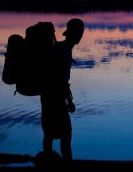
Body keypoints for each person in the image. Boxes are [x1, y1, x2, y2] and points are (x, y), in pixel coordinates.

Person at [40, 18, 84, 164]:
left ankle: (48, 161)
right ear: (72, 34)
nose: (80, 36)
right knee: (65, 135)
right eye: (79, 32)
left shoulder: (61, 48)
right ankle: (66, 166)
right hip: (55, 98)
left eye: (81, 32)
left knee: (49, 133)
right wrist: (69, 101)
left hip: (48, 96)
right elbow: (61, 81)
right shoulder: (63, 51)